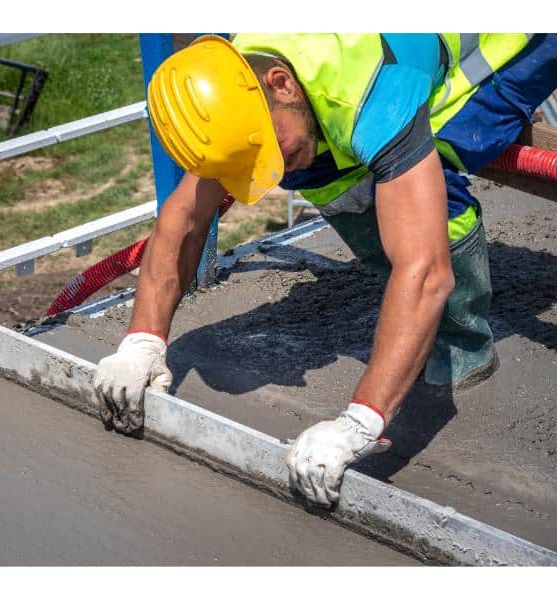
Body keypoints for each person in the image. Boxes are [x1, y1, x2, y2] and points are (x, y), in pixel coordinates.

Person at [93, 33, 557, 507]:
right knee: (308, 157)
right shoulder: (241, 87)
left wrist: (360, 422)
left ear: (283, 84)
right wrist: (142, 343)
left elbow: (426, 270)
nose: (271, 171)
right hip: (390, 61)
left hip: (509, 38)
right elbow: (187, 216)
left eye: (270, 147)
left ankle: (463, 346)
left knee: (435, 186)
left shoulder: (372, 98)